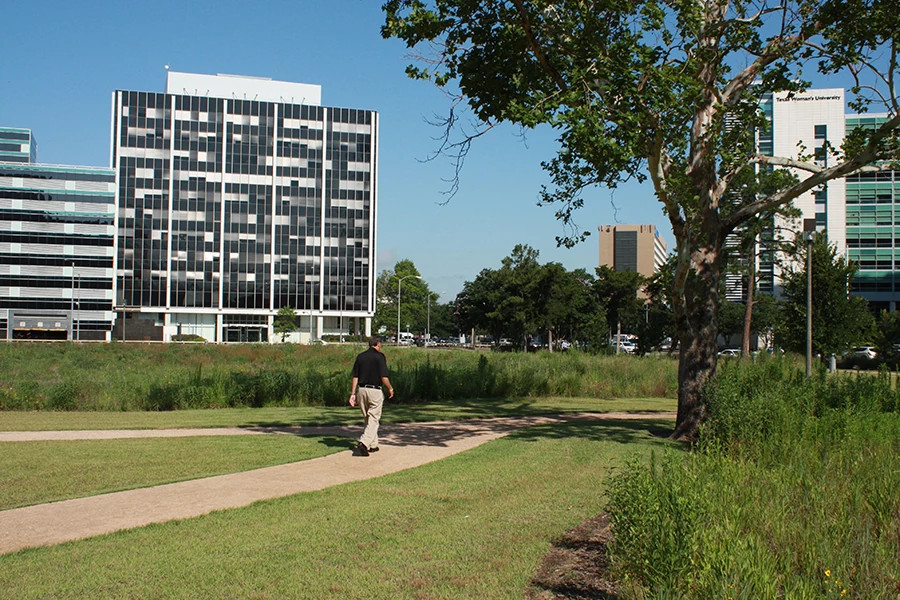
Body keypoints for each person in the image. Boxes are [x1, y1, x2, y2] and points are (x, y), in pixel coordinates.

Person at [348, 336, 394, 456]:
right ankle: (364, 443)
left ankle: (373, 444)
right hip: (375, 390)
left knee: (368, 418)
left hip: (361, 390)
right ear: (378, 344)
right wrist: (390, 388)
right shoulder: (380, 357)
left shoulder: (360, 357)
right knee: (374, 418)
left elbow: (355, 376)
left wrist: (353, 393)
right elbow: (383, 376)